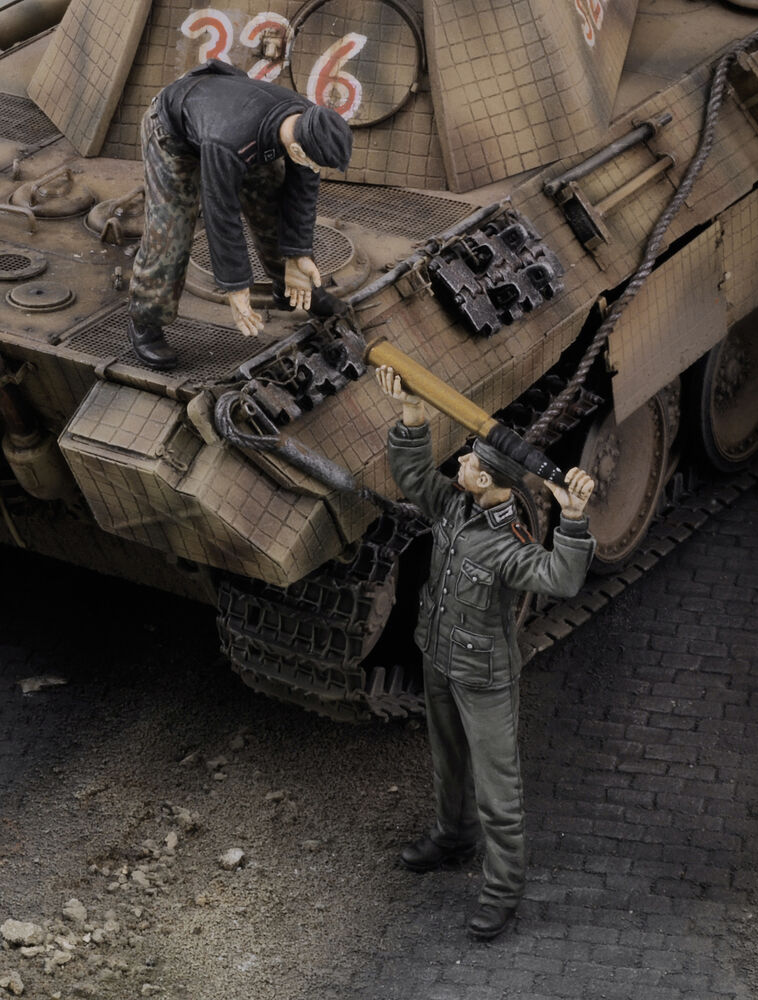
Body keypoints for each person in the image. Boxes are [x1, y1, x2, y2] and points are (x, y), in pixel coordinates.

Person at [376, 364, 596, 940]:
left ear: (488, 480)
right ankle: (453, 837)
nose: (460, 465)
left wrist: (572, 520)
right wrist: (412, 416)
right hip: (438, 657)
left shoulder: (507, 543)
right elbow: (412, 476)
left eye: (469, 463)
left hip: (485, 676)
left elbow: (561, 577)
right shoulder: (456, 505)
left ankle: (502, 890)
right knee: (448, 761)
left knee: (499, 790)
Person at [128, 59, 353, 370]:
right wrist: (236, 288)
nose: (315, 169)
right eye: (314, 163)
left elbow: (301, 196)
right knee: (171, 230)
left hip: (234, 124)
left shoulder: (308, 123)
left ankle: (290, 286)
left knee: (273, 200)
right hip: (172, 132)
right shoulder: (228, 142)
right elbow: (221, 214)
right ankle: (146, 321)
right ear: (297, 151)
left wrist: (298, 255)